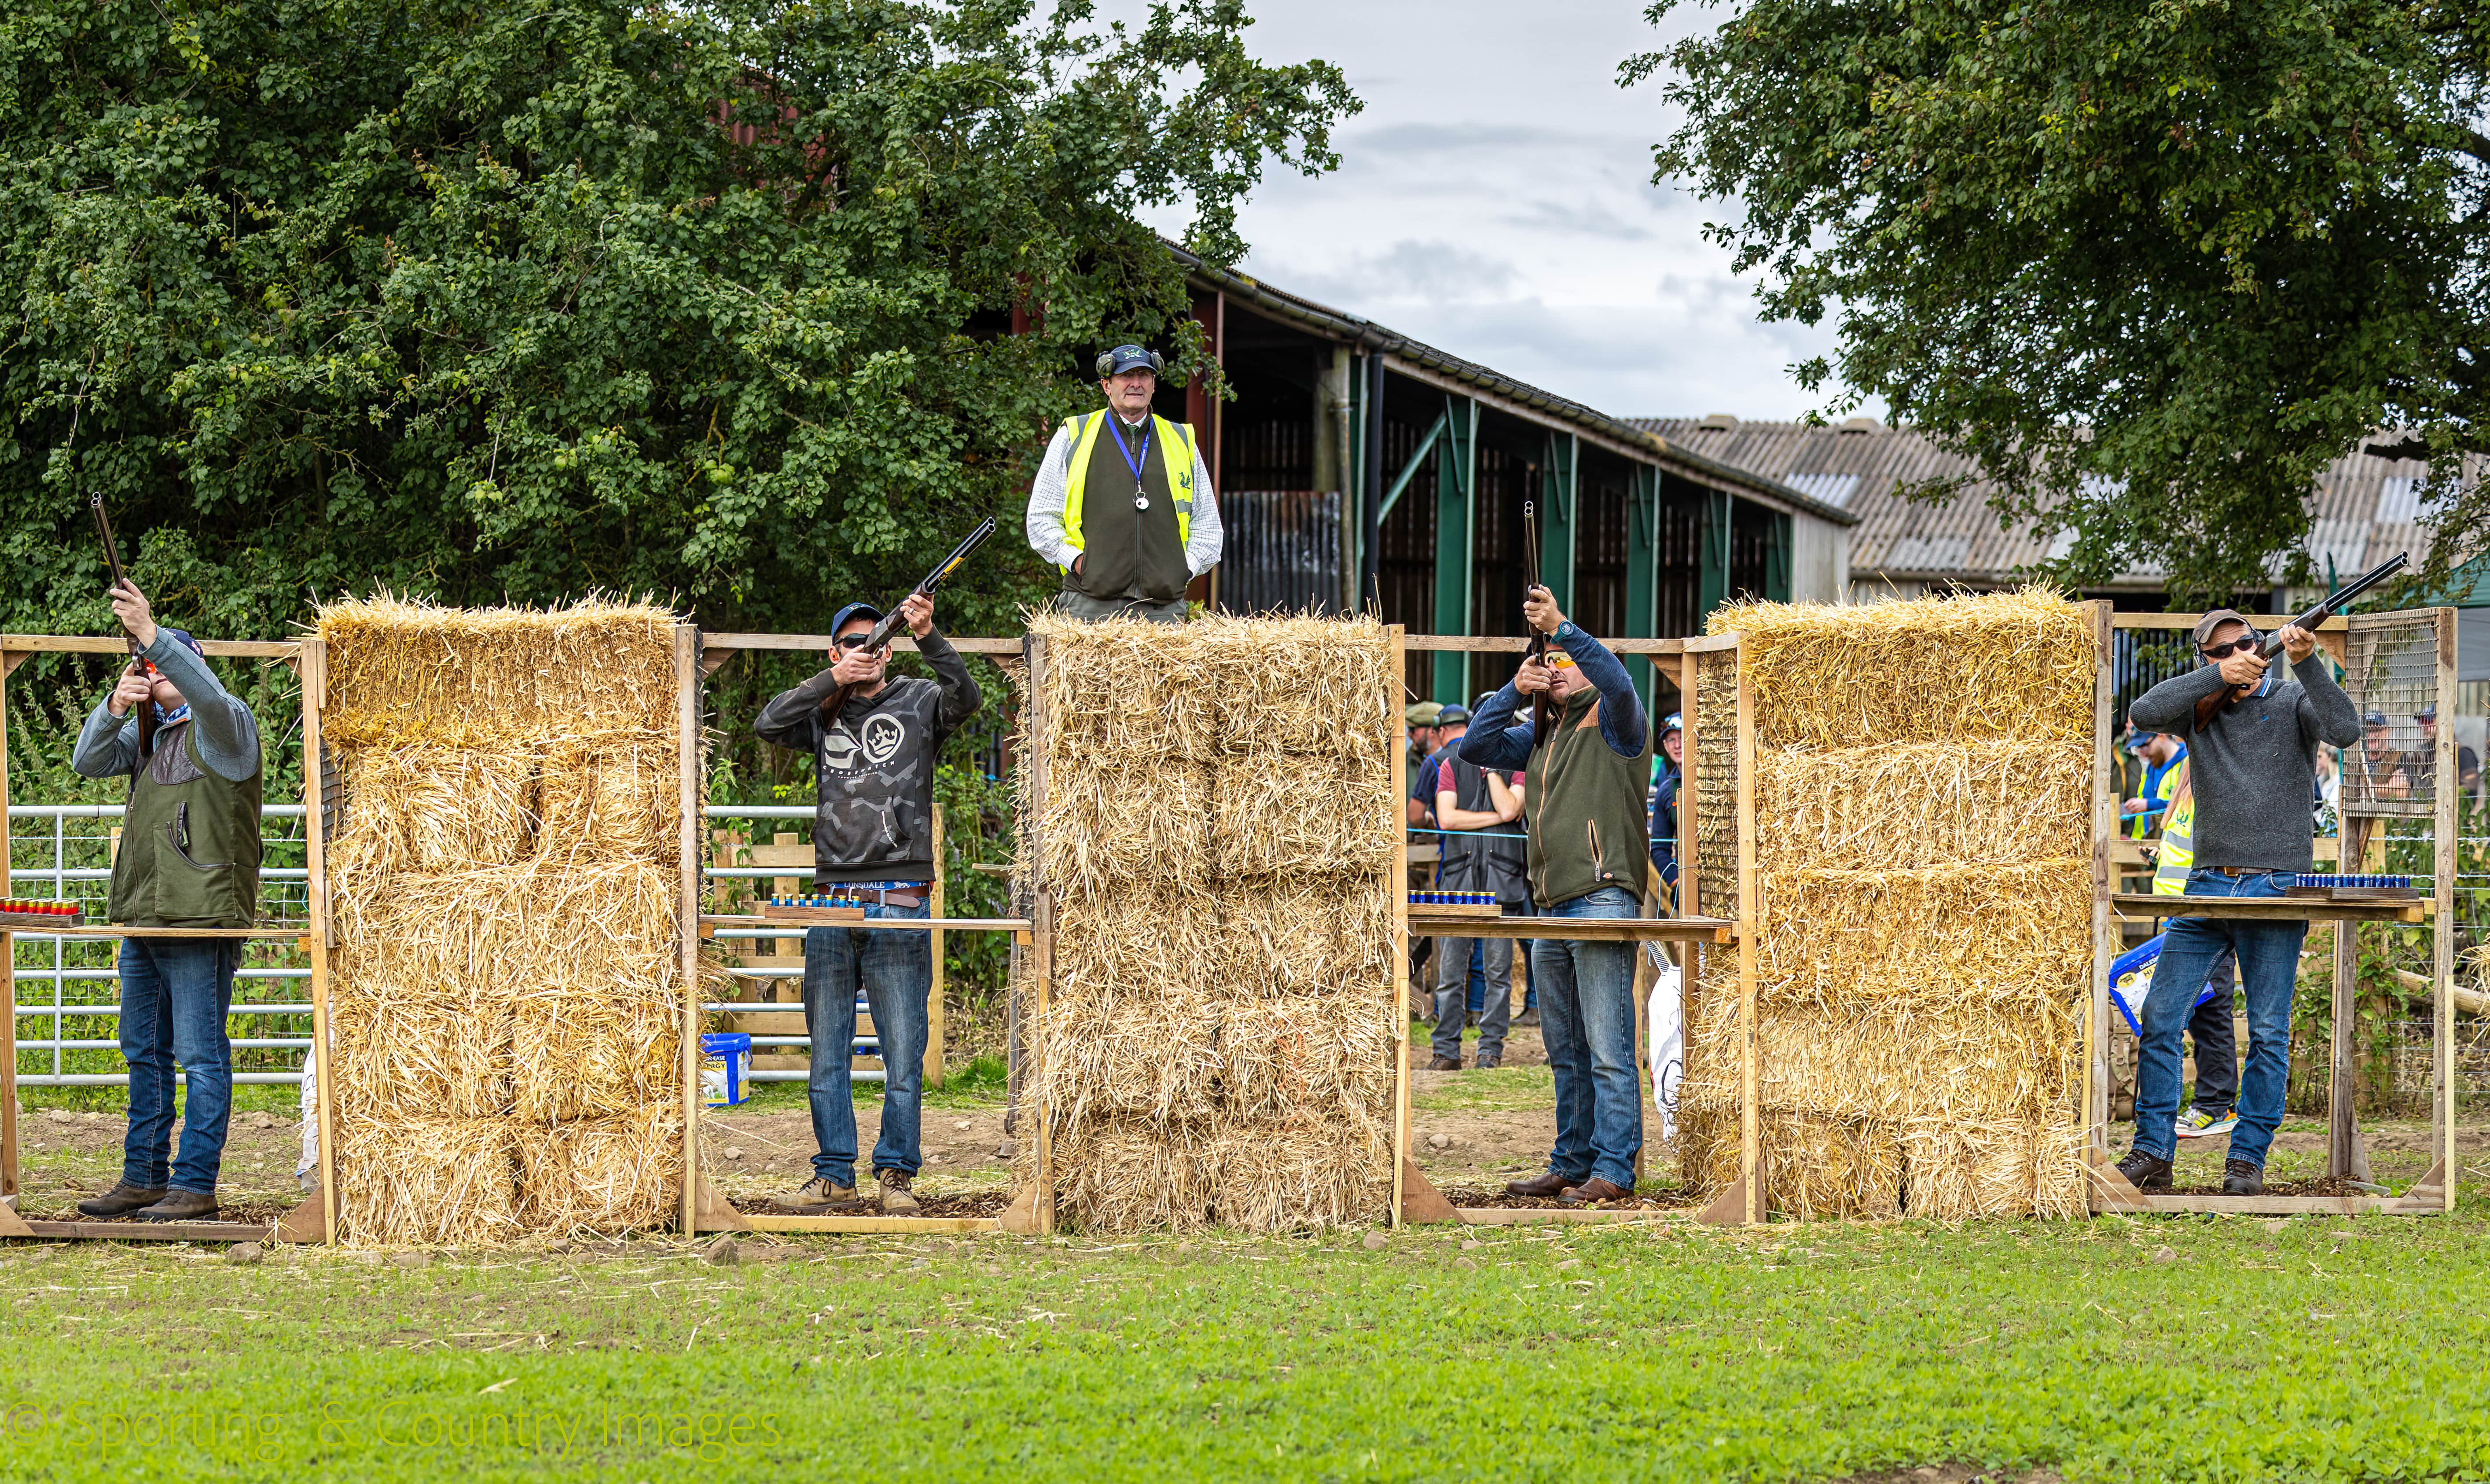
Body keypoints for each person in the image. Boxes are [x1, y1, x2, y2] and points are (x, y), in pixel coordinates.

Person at [755, 592, 981, 1214]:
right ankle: (834, 1175)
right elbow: (767, 723)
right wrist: (831, 682)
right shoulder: (821, 709)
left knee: (904, 1055)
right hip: (833, 899)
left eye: (878, 639)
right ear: (836, 654)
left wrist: (929, 635)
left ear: (891, 649)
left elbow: (967, 698)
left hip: (899, 898)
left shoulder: (919, 700)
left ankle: (895, 1177)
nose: (869, 649)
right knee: (826, 1054)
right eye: (855, 643)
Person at [2119, 610, 2357, 1196]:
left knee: (2269, 1032)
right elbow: (2144, 712)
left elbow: (2345, 729)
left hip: (2275, 885)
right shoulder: (2200, 704)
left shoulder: (2292, 699)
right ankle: (2152, 1153)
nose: (2237, 653)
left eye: (2245, 644)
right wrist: (2218, 677)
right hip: (2205, 885)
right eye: (2220, 650)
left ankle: (2247, 1160)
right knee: (2160, 1017)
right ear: (2206, 659)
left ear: (2260, 644)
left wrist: (2306, 662)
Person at [69, 580, 263, 1223]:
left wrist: (152, 635)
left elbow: (207, 694)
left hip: (200, 918)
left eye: (163, 663)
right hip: (145, 915)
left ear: (193, 665)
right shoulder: (150, 737)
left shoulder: (227, 725)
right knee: (143, 1052)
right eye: (146, 667)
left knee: (201, 1056)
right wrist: (114, 707)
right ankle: (144, 1179)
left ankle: (195, 1184)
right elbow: (87, 760)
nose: (153, 671)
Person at [1461, 587, 1650, 1206]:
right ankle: (1571, 1161)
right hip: (1550, 904)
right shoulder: (1543, 730)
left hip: (1600, 896)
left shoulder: (1615, 716)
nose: (1556, 668)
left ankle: (1614, 1169)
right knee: (1566, 1051)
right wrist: (1515, 692)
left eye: (1564, 661)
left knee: (1609, 1049)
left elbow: (1618, 680)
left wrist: (1562, 628)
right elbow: (1474, 748)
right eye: (1547, 662)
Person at [1023, 344, 1222, 623]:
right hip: (1089, 607)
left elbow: (1209, 527)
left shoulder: (1180, 439)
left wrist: (1182, 569)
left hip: (1163, 611)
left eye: (1144, 375)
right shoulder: (1074, 435)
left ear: (1154, 384)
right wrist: (1080, 563)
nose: (1136, 384)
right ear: (1107, 385)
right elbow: (1041, 519)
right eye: (1126, 376)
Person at [1425, 705, 1526, 1071]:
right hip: (1459, 884)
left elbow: (1511, 809)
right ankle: (1446, 1052)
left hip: (1502, 883)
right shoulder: (1451, 765)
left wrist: (1493, 770)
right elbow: (1447, 818)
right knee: (1450, 975)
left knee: (1499, 976)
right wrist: (1498, 817)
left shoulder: (1517, 766)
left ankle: (1490, 1052)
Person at [2149, 764, 2240, 1140]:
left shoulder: (2213, 789)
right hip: (2178, 915)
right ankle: (2208, 1103)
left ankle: (2216, 1105)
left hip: (2204, 914)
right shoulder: (2185, 793)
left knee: (2211, 1011)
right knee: (2184, 1014)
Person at [1647, 713, 1683, 906]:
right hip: (1687, 879)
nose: (1677, 745)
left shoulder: (1714, 779)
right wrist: (1675, 880)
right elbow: (1660, 848)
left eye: (1682, 738)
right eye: (1671, 740)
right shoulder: (1665, 791)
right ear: (1665, 746)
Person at [2122, 730, 2185, 838]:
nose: (2143, 755)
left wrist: (2149, 805)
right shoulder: (2151, 766)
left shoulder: (2187, 765)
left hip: (2171, 844)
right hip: (2146, 843)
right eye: (2138, 749)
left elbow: (2186, 807)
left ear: (2161, 736)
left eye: (2145, 746)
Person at [1404, 702, 1443, 826]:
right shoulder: (1412, 759)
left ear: (1432, 731)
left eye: (1413, 730)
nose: (1409, 735)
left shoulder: (1452, 759)